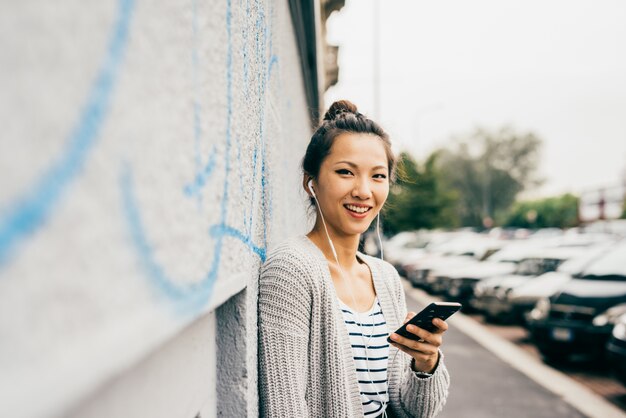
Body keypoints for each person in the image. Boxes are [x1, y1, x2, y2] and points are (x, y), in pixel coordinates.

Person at [258, 100, 450, 418]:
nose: (363, 191)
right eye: (346, 172)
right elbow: (284, 408)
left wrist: (425, 364)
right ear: (311, 182)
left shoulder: (385, 276)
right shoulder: (290, 269)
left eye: (377, 176)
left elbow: (415, 411)